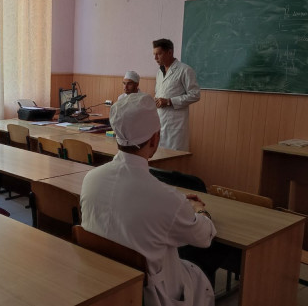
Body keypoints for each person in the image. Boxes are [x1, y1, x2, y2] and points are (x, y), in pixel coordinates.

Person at [80, 92, 216, 306]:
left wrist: (176, 205)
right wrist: (198, 209)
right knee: (199, 266)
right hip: (147, 294)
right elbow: (204, 237)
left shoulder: (90, 179)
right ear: (155, 138)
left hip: (101, 283)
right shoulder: (166, 198)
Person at [153, 38, 200, 151]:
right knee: (159, 157)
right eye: (154, 54)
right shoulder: (159, 72)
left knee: (173, 158)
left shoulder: (185, 70)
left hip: (175, 126)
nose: (155, 58)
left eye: (159, 54)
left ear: (169, 52)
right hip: (160, 122)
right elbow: (159, 93)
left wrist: (169, 101)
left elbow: (195, 94)